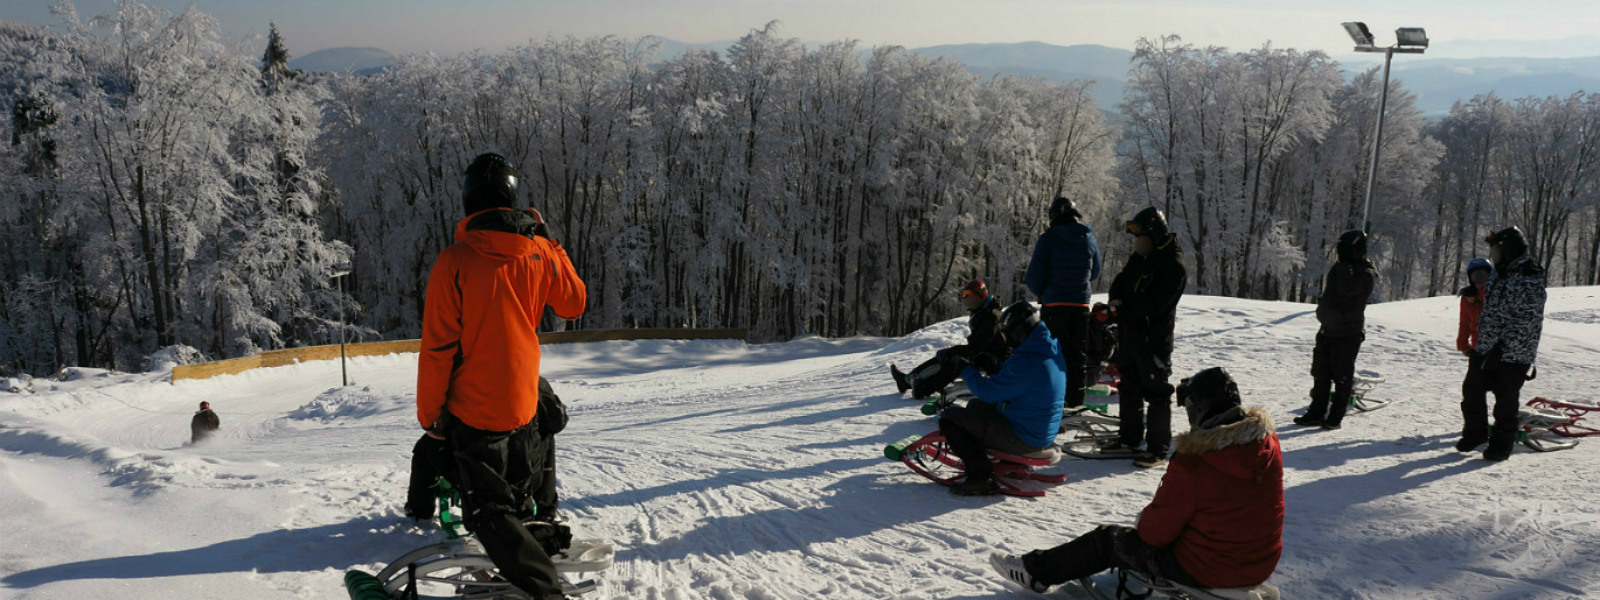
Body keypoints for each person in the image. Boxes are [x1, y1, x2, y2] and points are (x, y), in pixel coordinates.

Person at [417, 152, 587, 600]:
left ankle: (543, 591)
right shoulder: (538, 254)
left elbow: (437, 349)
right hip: (522, 400)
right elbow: (573, 303)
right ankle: (539, 521)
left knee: (488, 510)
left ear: (470, 202)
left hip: (476, 407)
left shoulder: (454, 261)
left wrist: (430, 417)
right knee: (524, 466)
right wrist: (553, 245)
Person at [989, 367, 1283, 594]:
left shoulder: (1197, 462)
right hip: (1259, 563)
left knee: (1108, 540)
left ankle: (1035, 571)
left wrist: (1144, 523)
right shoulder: (1266, 444)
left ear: (1198, 409)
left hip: (1208, 570)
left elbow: (1153, 535)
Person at [937, 301, 1066, 496]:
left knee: (950, 418)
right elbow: (1019, 382)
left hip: (1024, 436)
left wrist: (965, 369)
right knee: (975, 406)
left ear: (1018, 332)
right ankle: (1006, 462)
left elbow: (988, 391)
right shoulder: (1046, 350)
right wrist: (992, 367)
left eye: (1006, 334)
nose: (1005, 339)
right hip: (1037, 428)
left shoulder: (1028, 361)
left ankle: (981, 477)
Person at [406, 376, 565, 523]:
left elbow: (439, 427)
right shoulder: (531, 379)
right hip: (527, 472)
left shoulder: (462, 380)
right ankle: (546, 508)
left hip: (477, 476)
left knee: (427, 445)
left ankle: (419, 509)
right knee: (546, 433)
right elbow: (558, 421)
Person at [1106, 206, 1186, 468]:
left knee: (1156, 392)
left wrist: (1124, 310)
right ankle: (1129, 439)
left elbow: (1156, 304)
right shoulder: (1141, 258)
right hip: (1131, 336)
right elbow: (1121, 280)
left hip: (1154, 340)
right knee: (1128, 387)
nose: (1136, 244)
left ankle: (1158, 448)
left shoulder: (1172, 265)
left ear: (1153, 236)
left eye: (1140, 238)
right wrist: (1115, 299)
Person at [1460, 227, 1546, 461]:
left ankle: (1501, 445)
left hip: (1514, 352)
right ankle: (1475, 433)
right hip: (1487, 346)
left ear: (1508, 249)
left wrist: (1503, 347)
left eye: (1496, 250)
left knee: (1505, 401)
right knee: (1472, 390)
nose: (1493, 255)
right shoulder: (1499, 272)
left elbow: (1527, 318)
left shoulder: (1529, 275)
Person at [1293, 230, 1377, 431]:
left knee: (1342, 376)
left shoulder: (1366, 273)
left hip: (1348, 333)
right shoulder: (1340, 267)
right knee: (1320, 373)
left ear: (1356, 250)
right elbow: (1331, 292)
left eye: (1344, 250)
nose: (1340, 254)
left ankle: (1335, 417)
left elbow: (1348, 290)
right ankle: (1316, 412)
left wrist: (1346, 267)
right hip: (1328, 329)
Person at [1025, 197, 1102, 408]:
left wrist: (1044, 292)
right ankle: (1076, 405)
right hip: (1081, 307)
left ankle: (1053, 406)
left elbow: (1033, 278)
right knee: (1077, 359)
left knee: (1054, 357)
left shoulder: (1048, 239)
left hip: (1055, 306)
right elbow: (1095, 272)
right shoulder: (1089, 238)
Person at [890, 278, 1008, 399]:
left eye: (970, 294)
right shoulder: (983, 310)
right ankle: (908, 379)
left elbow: (977, 348)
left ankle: (924, 388)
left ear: (980, 295)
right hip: (985, 354)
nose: (966, 297)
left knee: (955, 360)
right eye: (964, 294)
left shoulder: (990, 317)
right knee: (947, 355)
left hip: (993, 361)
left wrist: (952, 351)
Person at [1455, 257, 1492, 356]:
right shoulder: (1467, 297)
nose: (1480, 281)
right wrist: (1462, 345)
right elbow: (1464, 323)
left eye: (1483, 277)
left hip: (1497, 350)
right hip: (1477, 348)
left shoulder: (1496, 294)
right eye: (1476, 277)